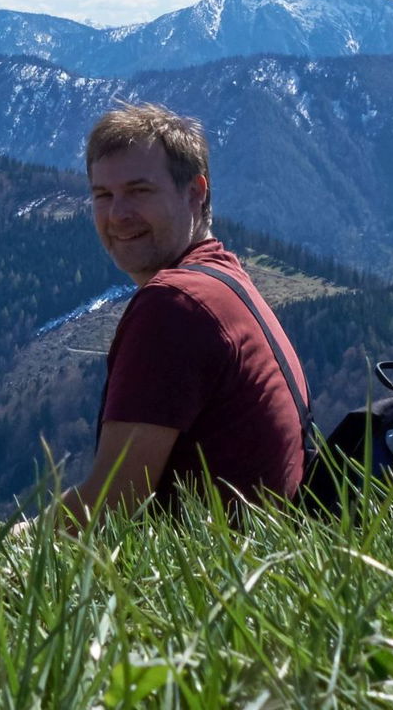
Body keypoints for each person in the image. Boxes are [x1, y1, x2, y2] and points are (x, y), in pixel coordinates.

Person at [53, 101, 310, 530]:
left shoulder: (175, 304)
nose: (118, 215)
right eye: (103, 195)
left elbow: (113, 504)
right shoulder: (225, 282)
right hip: (256, 552)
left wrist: (2, 543)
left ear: (195, 192)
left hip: (216, 565)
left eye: (139, 191)